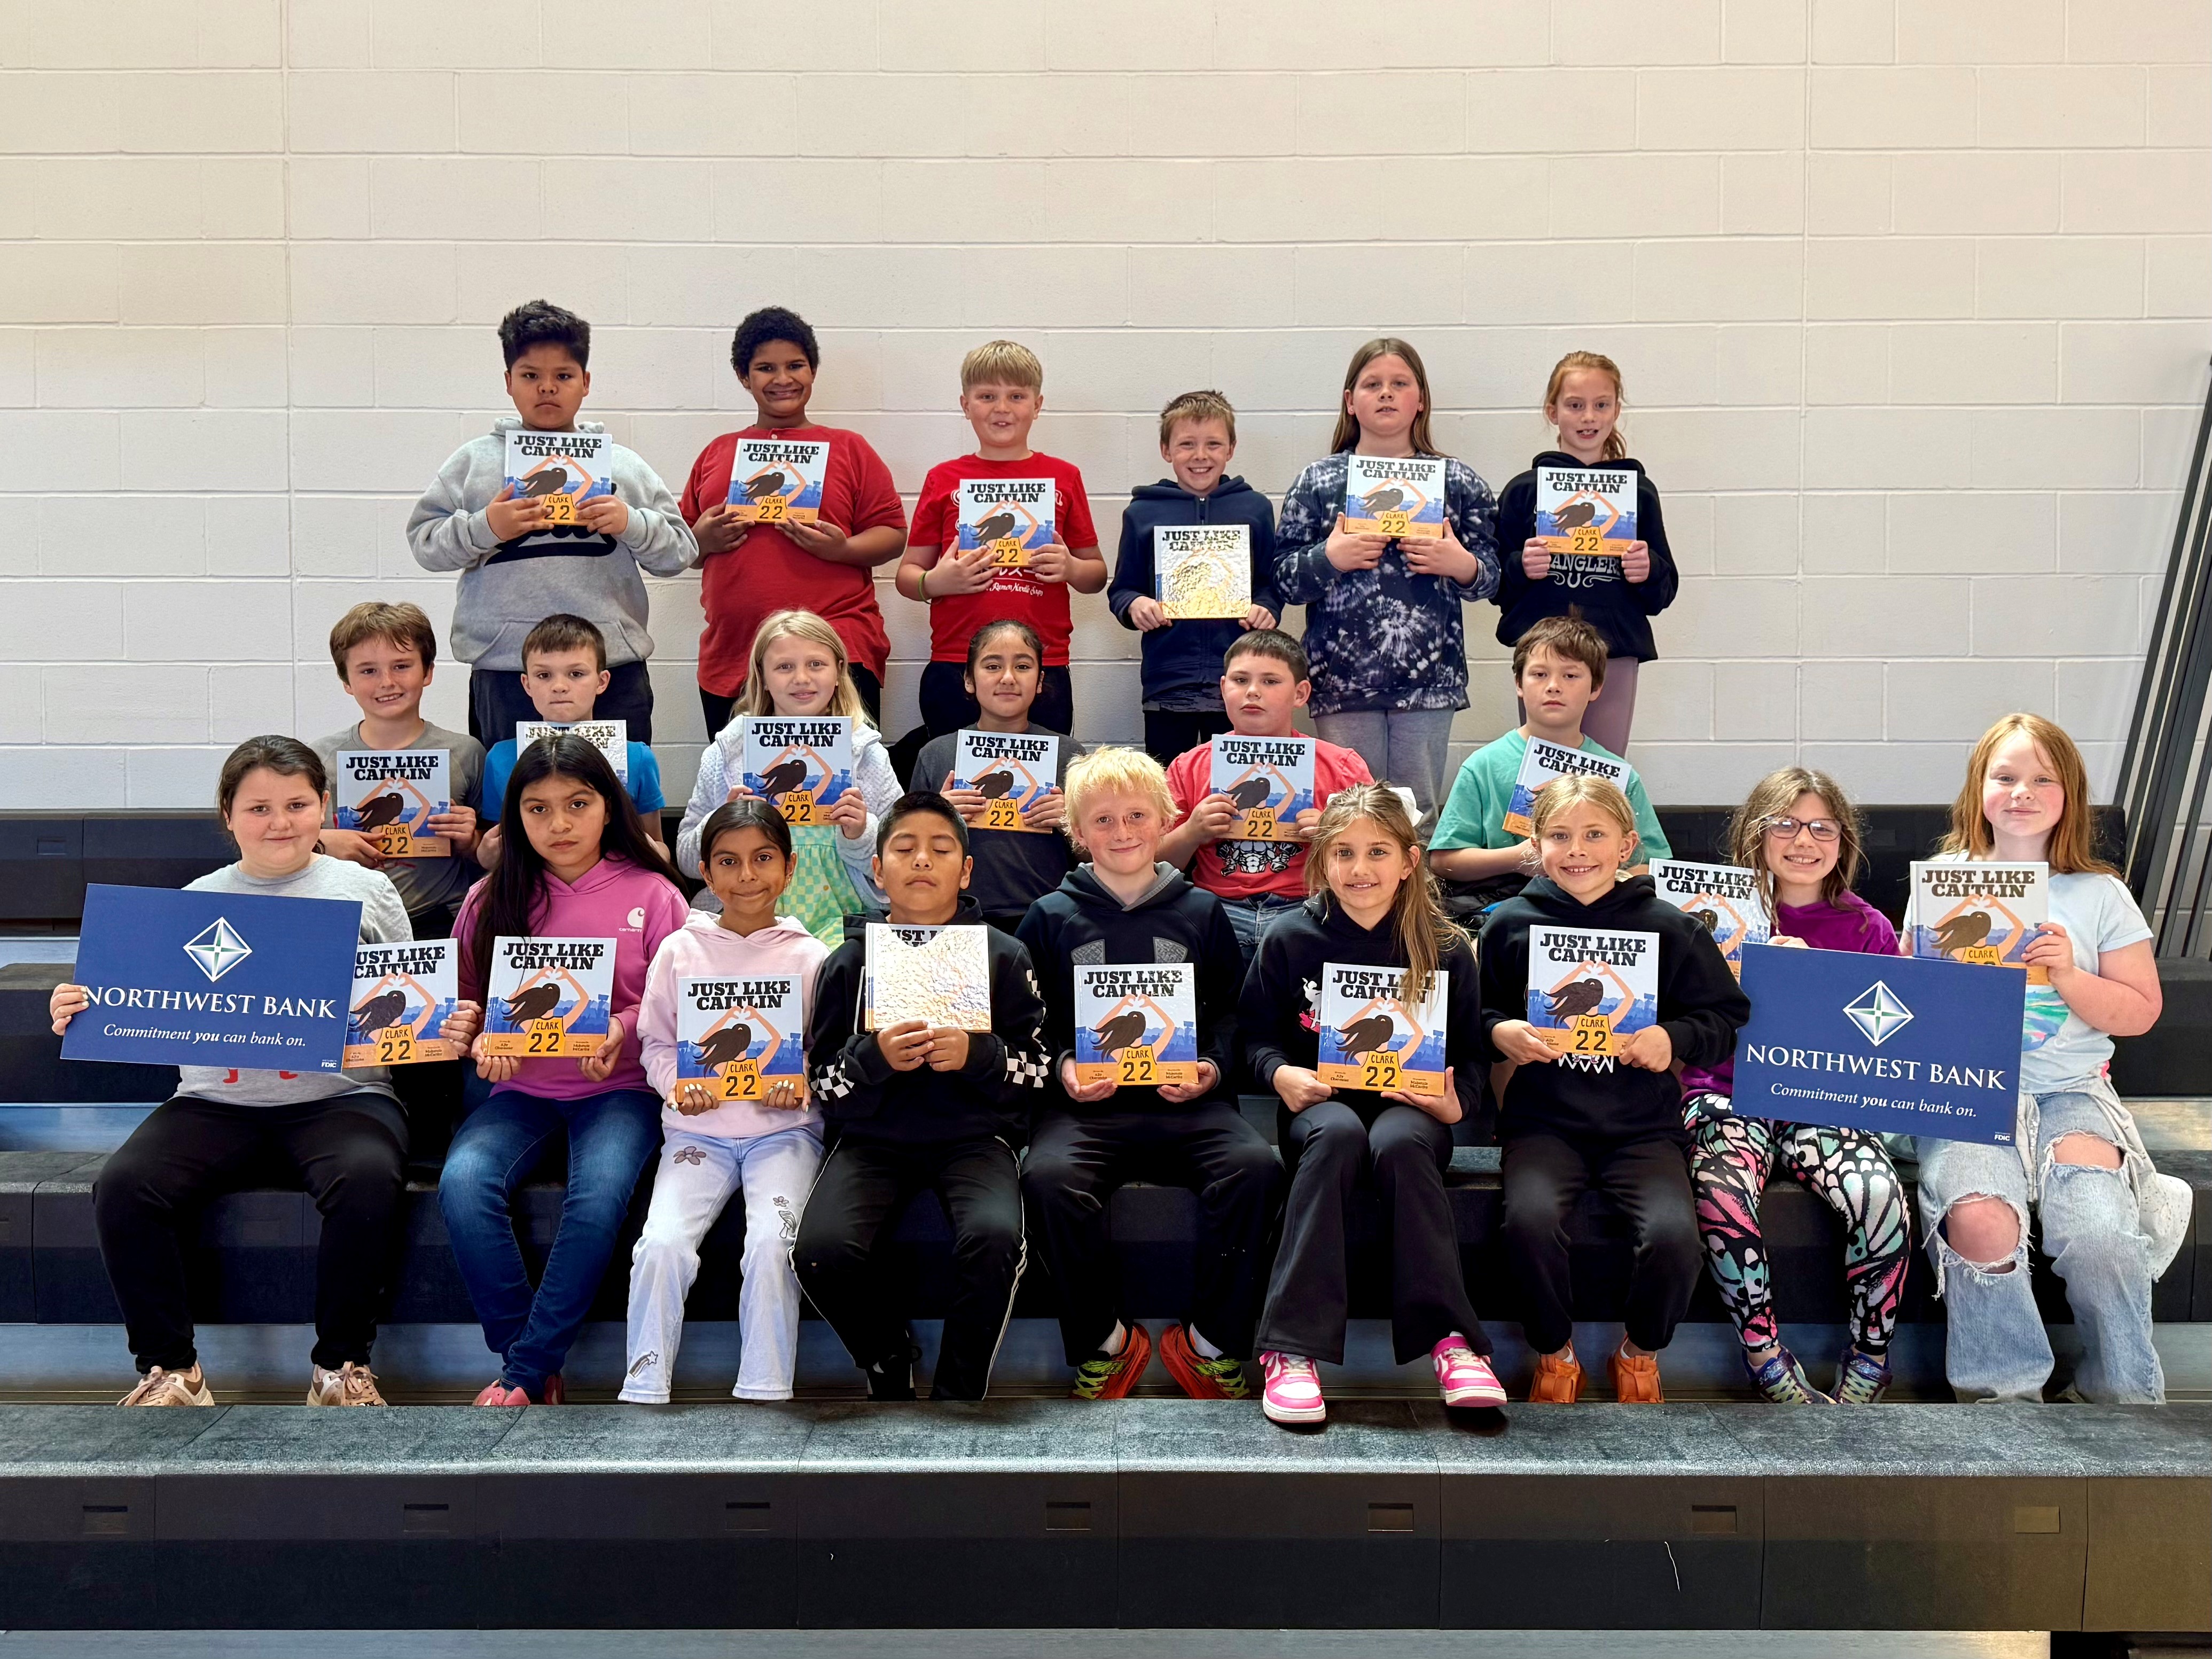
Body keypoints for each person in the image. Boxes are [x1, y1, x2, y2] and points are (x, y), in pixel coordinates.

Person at [52, 737, 478, 1408]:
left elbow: (410, 996)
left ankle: (340, 1368)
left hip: (343, 1098)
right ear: (227, 815)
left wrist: (447, 1024)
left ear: (324, 807)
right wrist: (77, 1002)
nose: (280, 821)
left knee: (367, 1176)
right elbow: (143, 1002)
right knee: (125, 1186)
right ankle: (171, 1371)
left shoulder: (366, 889)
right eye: (259, 807)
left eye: (297, 804)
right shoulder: (196, 899)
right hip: (214, 1103)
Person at [1915, 713, 2184, 1404]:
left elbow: (2141, 1011)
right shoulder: (1944, 881)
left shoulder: (2099, 893)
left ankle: (2121, 1390)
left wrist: (2067, 973)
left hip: (2071, 1090)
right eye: (2004, 777)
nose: (2021, 791)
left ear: (2069, 794)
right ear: (1980, 789)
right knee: (1979, 1218)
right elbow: (1911, 1000)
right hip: (1967, 1090)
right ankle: (2003, 1396)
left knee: (2099, 1232)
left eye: (2041, 778)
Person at [1016, 747, 1281, 1400]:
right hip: (1087, 1109)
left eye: (1137, 815)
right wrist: (1064, 1065)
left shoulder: (1200, 911)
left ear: (1167, 820)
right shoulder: (1049, 915)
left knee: (1257, 1168)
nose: (1122, 831)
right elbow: (1027, 1020)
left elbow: (1228, 1013)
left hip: (1186, 1105)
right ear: (1077, 834)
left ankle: (1209, 1340)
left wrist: (1211, 1069)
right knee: (1046, 1179)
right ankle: (1105, 1339)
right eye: (1102, 820)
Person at [1480, 776, 1747, 1404]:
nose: (1577, 850)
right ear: (1535, 845)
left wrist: (1673, 1035)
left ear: (1627, 843)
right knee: (1528, 1223)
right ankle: (1554, 1352)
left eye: (1594, 835)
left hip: (1642, 1129)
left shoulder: (1671, 927)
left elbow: (1726, 1018)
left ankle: (1640, 1352)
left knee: (1676, 1237)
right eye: (1559, 836)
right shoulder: (1509, 924)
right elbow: (1472, 1013)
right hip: (1542, 1123)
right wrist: (1501, 1030)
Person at [1242, 785, 1499, 1429]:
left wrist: (1452, 1103)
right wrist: (1282, 1076)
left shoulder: (1442, 947)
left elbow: (1470, 1055)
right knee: (1335, 1137)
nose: (1360, 869)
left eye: (1378, 852)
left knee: (1400, 1142)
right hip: (1319, 1105)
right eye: (1344, 853)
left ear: (1410, 861)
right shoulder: (1288, 937)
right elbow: (1253, 1037)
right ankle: (1291, 1350)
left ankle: (1451, 1341)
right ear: (1322, 860)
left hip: (1410, 1112)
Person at [445, 735, 691, 1406]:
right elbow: (467, 1002)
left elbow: (679, 1005)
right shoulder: (491, 898)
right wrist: (474, 1036)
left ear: (608, 809)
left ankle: (524, 1372)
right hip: (521, 1089)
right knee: (463, 1182)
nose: (559, 824)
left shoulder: (657, 894)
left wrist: (622, 1024)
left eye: (577, 804)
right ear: (514, 818)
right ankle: (530, 1361)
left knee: (597, 1199)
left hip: (622, 1091)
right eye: (538, 808)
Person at [792, 793, 1051, 1402]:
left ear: (965, 870)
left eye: (941, 850)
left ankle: (960, 1391)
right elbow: (822, 1080)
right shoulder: (849, 963)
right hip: (871, 1140)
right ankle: (885, 1354)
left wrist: (979, 1054)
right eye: (904, 849)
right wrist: (872, 1060)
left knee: (993, 1240)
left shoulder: (1004, 954)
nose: (922, 862)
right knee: (820, 1252)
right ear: (877, 870)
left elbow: (1039, 1069)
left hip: (975, 1140)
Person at [1678, 768, 1912, 1405]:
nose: (1802, 839)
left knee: (1879, 1195)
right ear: (1755, 834)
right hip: (1725, 1091)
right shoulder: (1707, 917)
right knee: (1723, 1195)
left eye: (1820, 827)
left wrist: (1819, 986)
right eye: (1784, 823)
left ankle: (1869, 1359)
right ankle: (1764, 1357)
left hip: (1822, 1099)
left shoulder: (1868, 929)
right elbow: (1673, 1017)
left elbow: (1891, 1044)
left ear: (1843, 841)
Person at [407, 299, 696, 746]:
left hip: (610, 671)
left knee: (615, 801)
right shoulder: (474, 463)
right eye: (530, 376)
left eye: (562, 376)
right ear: (508, 382)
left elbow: (680, 552)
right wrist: (486, 526)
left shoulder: (622, 466)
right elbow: (425, 543)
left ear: (585, 383)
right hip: (507, 669)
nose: (547, 388)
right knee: (514, 801)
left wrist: (630, 523)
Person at [623, 799, 830, 1405]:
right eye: (729, 862)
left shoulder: (810, 956)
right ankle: (643, 1381)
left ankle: (766, 1386)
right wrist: (674, 1084)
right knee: (660, 1244)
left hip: (784, 1132)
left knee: (772, 1243)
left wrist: (805, 1080)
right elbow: (655, 1040)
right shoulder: (679, 952)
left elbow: (824, 1047)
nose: (747, 876)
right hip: (697, 1134)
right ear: (706, 875)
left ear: (789, 869)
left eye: (763, 859)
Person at [1271, 337, 1499, 825]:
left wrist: (1458, 562)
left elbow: (1493, 579)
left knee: (1418, 816)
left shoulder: (1456, 482)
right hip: (1341, 678)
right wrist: (1329, 557)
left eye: (1400, 384)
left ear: (1421, 400)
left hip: (1429, 681)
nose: (1386, 394)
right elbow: (1284, 581)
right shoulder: (1318, 481)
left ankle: (1417, 904)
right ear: (1350, 401)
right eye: (1372, 385)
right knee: (1347, 814)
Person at [679, 306, 907, 734]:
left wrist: (843, 549)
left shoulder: (850, 448)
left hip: (837, 644)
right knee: (746, 793)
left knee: (841, 789)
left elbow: (893, 535)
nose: (782, 379)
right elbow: (680, 549)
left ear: (813, 370)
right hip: (735, 654)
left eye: (795, 365)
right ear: (743, 377)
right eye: (765, 368)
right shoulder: (717, 452)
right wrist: (701, 540)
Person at [896, 340, 1105, 738]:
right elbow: (907, 573)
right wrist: (934, 583)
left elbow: (1095, 575)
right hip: (956, 660)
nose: (1002, 408)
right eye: (987, 396)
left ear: (1037, 405)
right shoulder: (943, 479)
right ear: (965, 405)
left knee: (1040, 789)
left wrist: (1071, 568)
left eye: (1016, 396)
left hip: (1042, 664)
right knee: (955, 790)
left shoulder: (1064, 477)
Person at [1491, 351, 1679, 758]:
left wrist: (1646, 570)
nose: (1588, 417)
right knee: (1543, 774)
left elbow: (1662, 593)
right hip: (1542, 652)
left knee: (1603, 774)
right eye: (1575, 406)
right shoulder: (1524, 491)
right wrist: (1521, 567)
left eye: (1601, 405)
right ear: (1552, 412)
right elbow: (1495, 584)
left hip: (1615, 652)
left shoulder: (1638, 493)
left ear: (1615, 411)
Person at [677, 609, 901, 945]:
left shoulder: (868, 754)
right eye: (784, 667)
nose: (801, 678)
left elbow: (900, 859)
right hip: (745, 924)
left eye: (816, 664)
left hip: (844, 923)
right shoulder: (726, 753)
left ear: (839, 672)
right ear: (763, 677)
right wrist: (720, 822)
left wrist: (861, 833)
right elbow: (686, 858)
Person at [1428, 614, 1671, 910]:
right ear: (1519, 683)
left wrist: (1600, 881)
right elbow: (1444, 861)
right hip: (1505, 908)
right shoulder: (1484, 766)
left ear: (1596, 688)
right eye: (1540, 674)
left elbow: (1649, 866)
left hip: (1595, 914)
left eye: (1570, 676)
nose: (1554, 686)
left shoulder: (1618, 776)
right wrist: (1519, 859)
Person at [1159, 628, 1374, 956]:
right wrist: (1191, 832)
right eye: (1240, 680)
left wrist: (1334, 837)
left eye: (1271, 682)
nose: (1253, 692)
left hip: (1311, 908)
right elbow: (1153, 864)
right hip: (1217, 909)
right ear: (1223, 688)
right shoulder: (1189, 766)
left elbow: (1380, 857)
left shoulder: (1341, 766)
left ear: (1300, 694)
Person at [1106, 389, 1282, 765]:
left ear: (1231, 448)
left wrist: (1266, 608)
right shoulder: (1142, 513)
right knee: (1170, 796)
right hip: (1168, 681)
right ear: (1166, 450)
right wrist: (1135, 604)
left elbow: (1271, 582)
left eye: (1213, 444)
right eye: (1187, 444)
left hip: (1240, 683)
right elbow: (1121, 589)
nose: (1200, 456)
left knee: (1235, 796)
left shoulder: (1254, 509)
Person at [311, 600, 484, 938]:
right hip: (349, 919)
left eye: (402, 666)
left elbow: (491, 856)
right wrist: (322, 842)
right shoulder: (319, 758)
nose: (387, 682)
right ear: (346, 681)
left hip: (440, 921)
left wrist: (471, 840)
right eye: (368, 670)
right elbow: (286, 843)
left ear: (428, 671)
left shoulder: (467, 753)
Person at [916, 619, 1080, 933]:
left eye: (1023, 666)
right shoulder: (935, 755)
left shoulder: (1069, 754)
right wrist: (937, 817)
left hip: (1049, 914)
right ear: (969, 679)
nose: (1008, 678)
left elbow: (1093, 853)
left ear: (1040, 680)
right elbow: (909, 846)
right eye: (992, 666)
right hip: (957, 913)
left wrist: (1073, 823)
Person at [478, 613, 668, 868]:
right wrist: (486, 856)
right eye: (544, 675)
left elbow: (660, 848)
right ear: (527, 684)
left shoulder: (637, 757)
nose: (559, 686)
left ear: (602, 682)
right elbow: (496, 846)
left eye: (576, 674)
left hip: (615, 889)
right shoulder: (500, 758)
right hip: (533, 891)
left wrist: (645, 849)